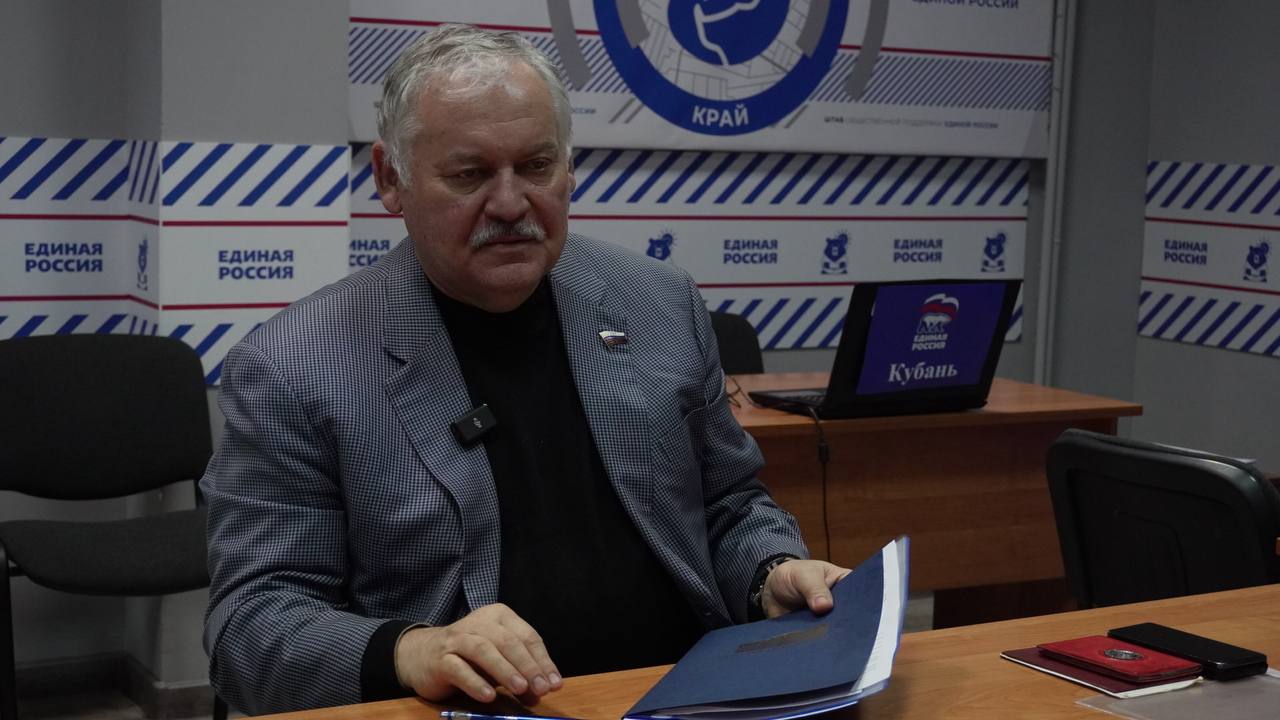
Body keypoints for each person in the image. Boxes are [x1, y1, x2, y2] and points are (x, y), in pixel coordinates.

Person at [202, 24, 849, 714]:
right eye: (470, 174)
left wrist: (770, 571)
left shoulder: (659, 301)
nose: (510, 205)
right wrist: (411, 651)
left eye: (536, 166)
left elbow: (728, 506)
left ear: (568, 168)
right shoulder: (295, 366)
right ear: (391, 179)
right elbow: (250, 628)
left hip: (684, 693)